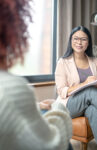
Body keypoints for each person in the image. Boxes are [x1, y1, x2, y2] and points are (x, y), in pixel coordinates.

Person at [0, 0, 73, 150]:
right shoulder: (62, 62)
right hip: (69, 100)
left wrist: (36, 105)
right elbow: (62, 90)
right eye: (77, 39)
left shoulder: (93, 61)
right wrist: (58, 105)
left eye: (84, 39)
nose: (80, 42)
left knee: (94, 103)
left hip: (85, 101)